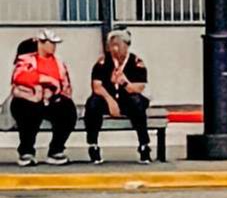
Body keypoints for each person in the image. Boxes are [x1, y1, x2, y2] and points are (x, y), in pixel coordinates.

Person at [84, 30, 151, 163]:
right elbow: (97, 86)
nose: (114, 49)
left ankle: (144, 145)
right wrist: (110, 101)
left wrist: (124, 82)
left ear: (126, 45)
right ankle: (93, 145)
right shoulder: (103, 62)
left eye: (118, 45)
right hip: (108, 99)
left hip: (128, 100)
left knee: (137, 102)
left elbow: (139, 87)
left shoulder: (136, 62)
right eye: (112, 45)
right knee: (92, 103)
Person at [11, 30, 74, 166]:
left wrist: (55, 93)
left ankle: (56, 150)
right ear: (41, 43)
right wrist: (46, 80)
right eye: (50, 43)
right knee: (28, 111)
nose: (53, 46)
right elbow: (19, 77)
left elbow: (66, 86)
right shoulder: (27, 59)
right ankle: (26, 152)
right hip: (28, 100)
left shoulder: (59, 62)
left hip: (51, 101)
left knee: (68, 111)